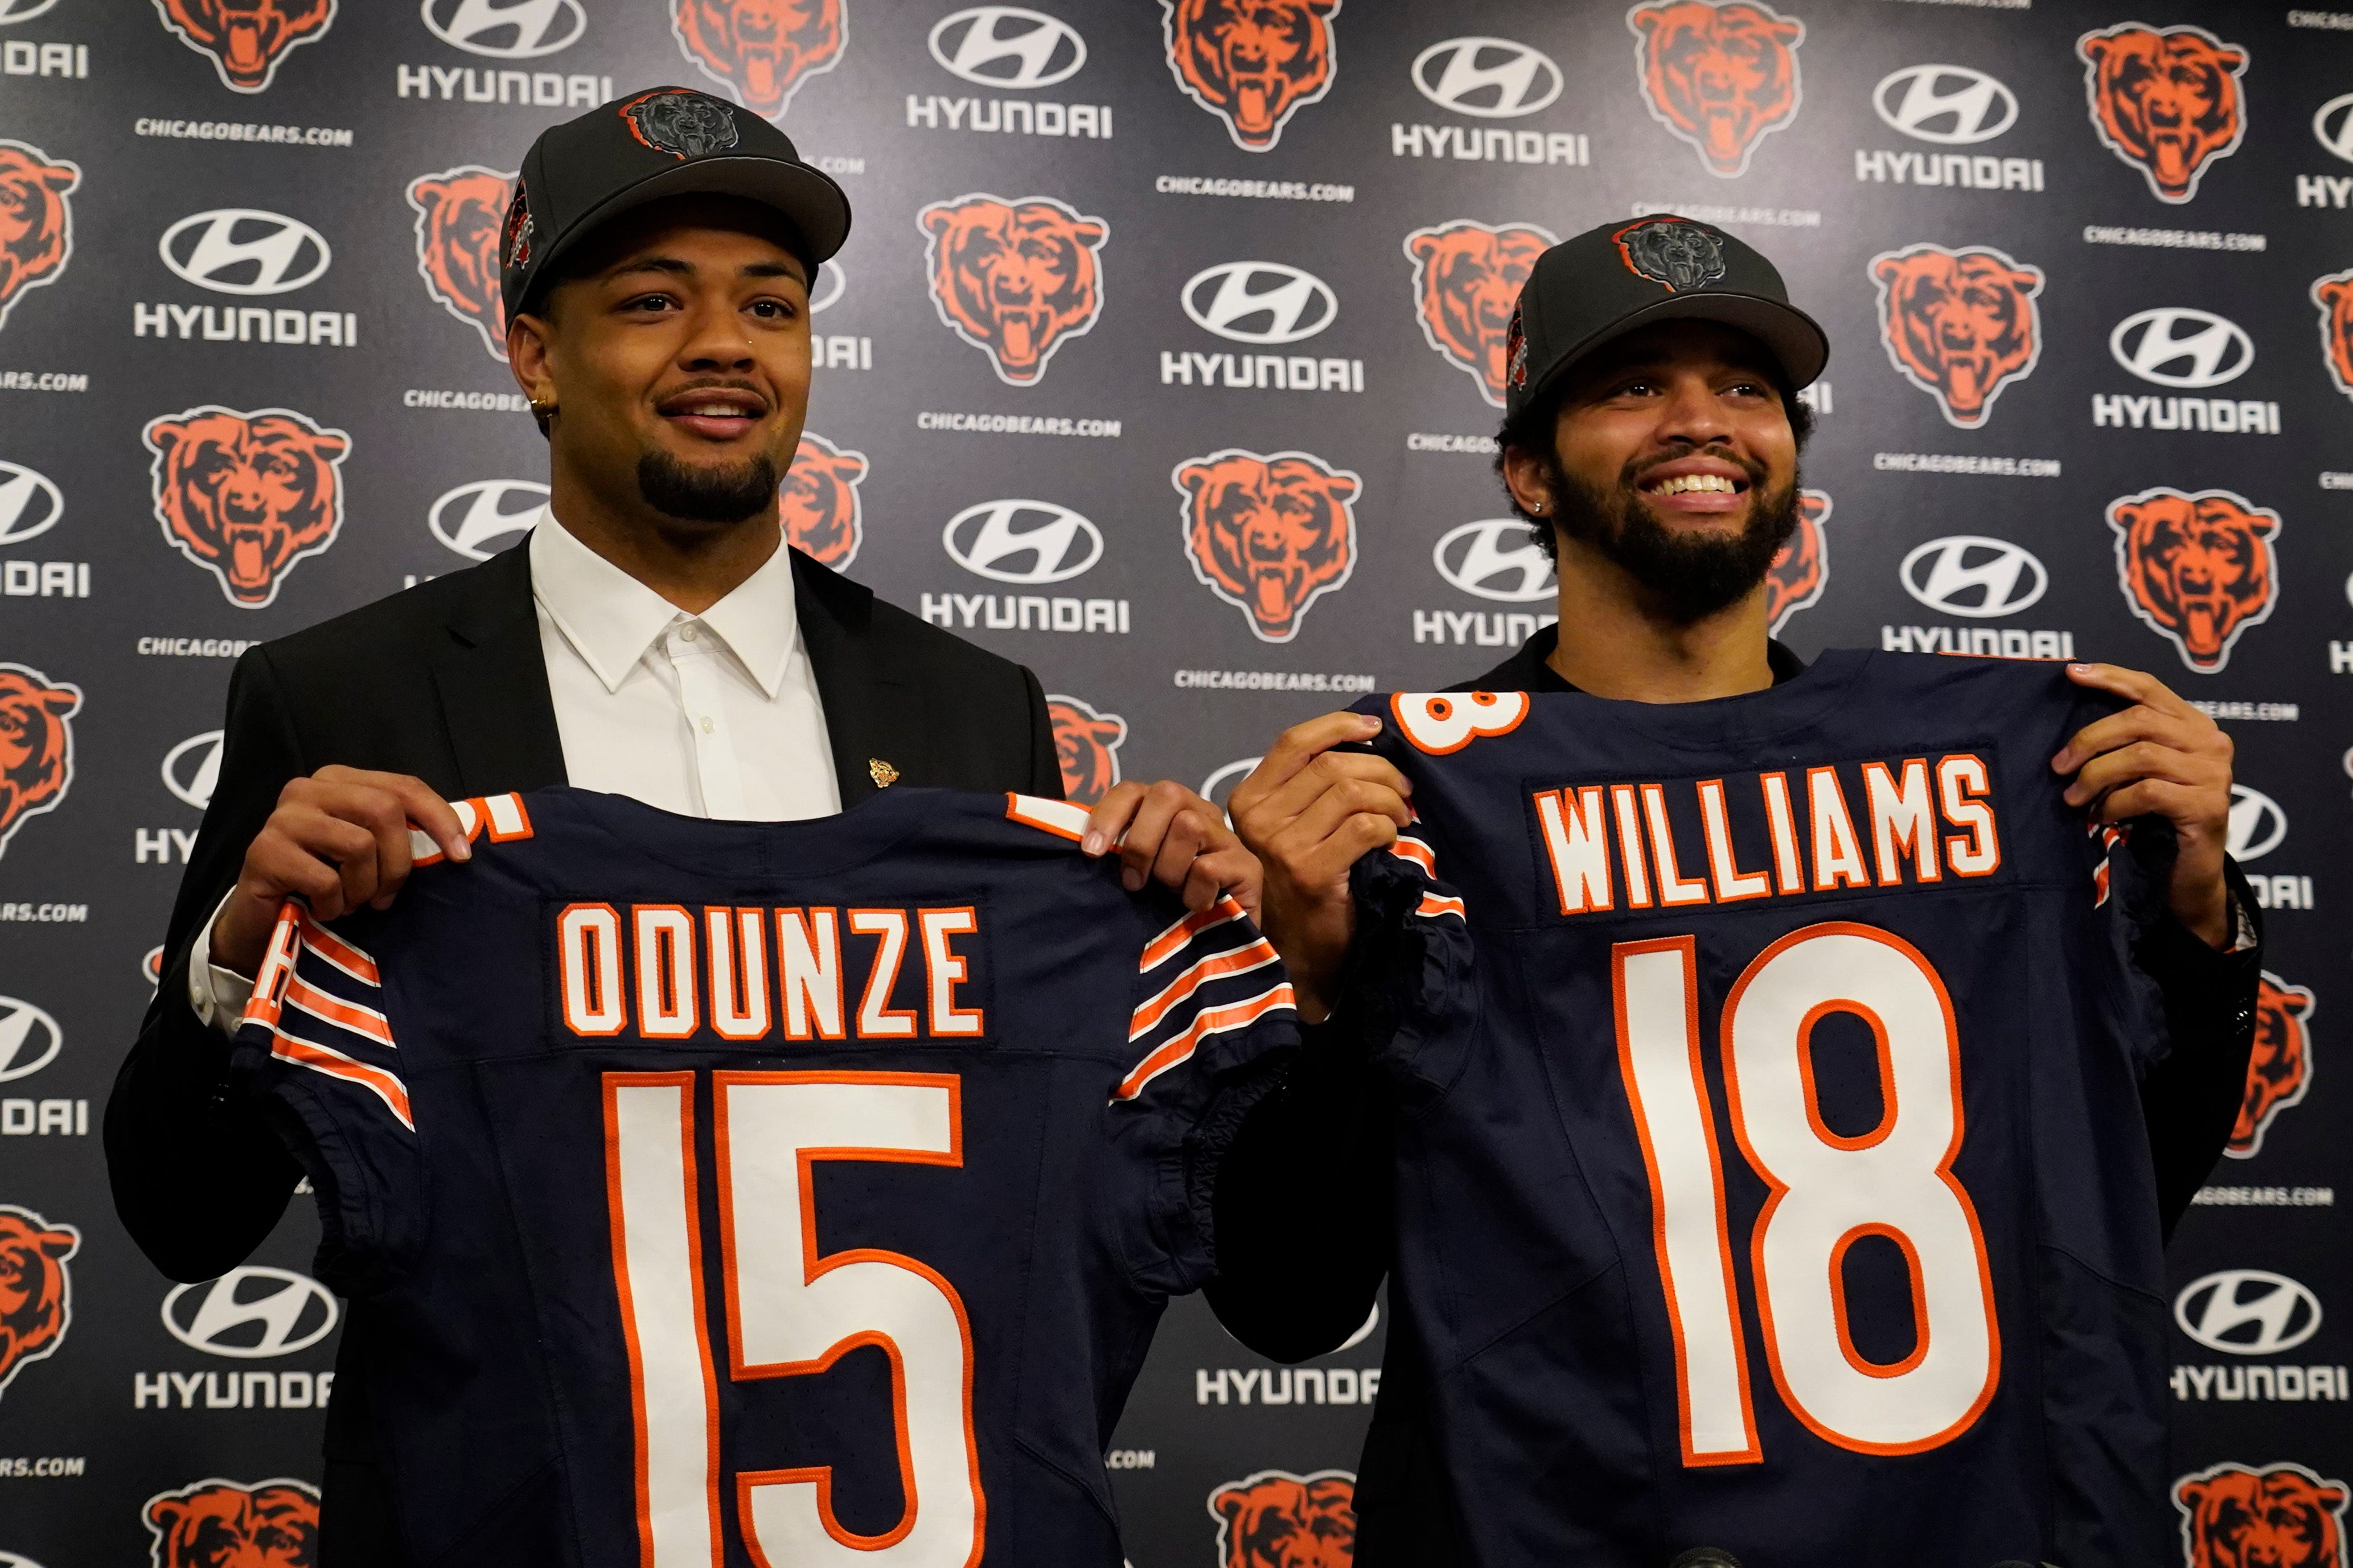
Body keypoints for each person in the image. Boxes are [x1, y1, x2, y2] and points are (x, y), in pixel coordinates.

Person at [105, 86, 1251, 1562]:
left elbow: (1084, 1191)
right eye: (653, 301)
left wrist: (1190, 929)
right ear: (536, 352)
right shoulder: (342, 697)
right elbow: (183, 1215)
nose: (725, 344)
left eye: (770, 305)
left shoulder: (972, 708)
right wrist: (238, 958)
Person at [1214, 215, 2261, 1560]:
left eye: (1746, 385)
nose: (1701, 420)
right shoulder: (1401, 811)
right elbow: (1287, 1299)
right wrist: (1312, 977)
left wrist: (2192, 913)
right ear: (1530, 474)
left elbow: (2106, 1193)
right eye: (1634, 385)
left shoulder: (2004, 773)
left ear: (1789, 459)